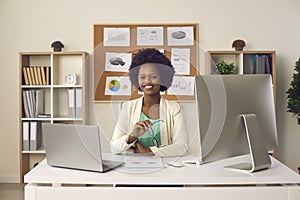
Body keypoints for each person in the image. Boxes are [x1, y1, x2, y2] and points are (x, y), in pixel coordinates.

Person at [110, 48, 188, 157]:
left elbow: (182, 147)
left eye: (154, 77)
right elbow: (114, 148)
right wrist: (132, 136)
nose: (147, 81)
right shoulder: (128, 107)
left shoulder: (174, 108)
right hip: (133, 167)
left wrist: (148, 151)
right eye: (142, 77)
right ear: (137, 79)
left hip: (165, 168)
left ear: (163, 78)